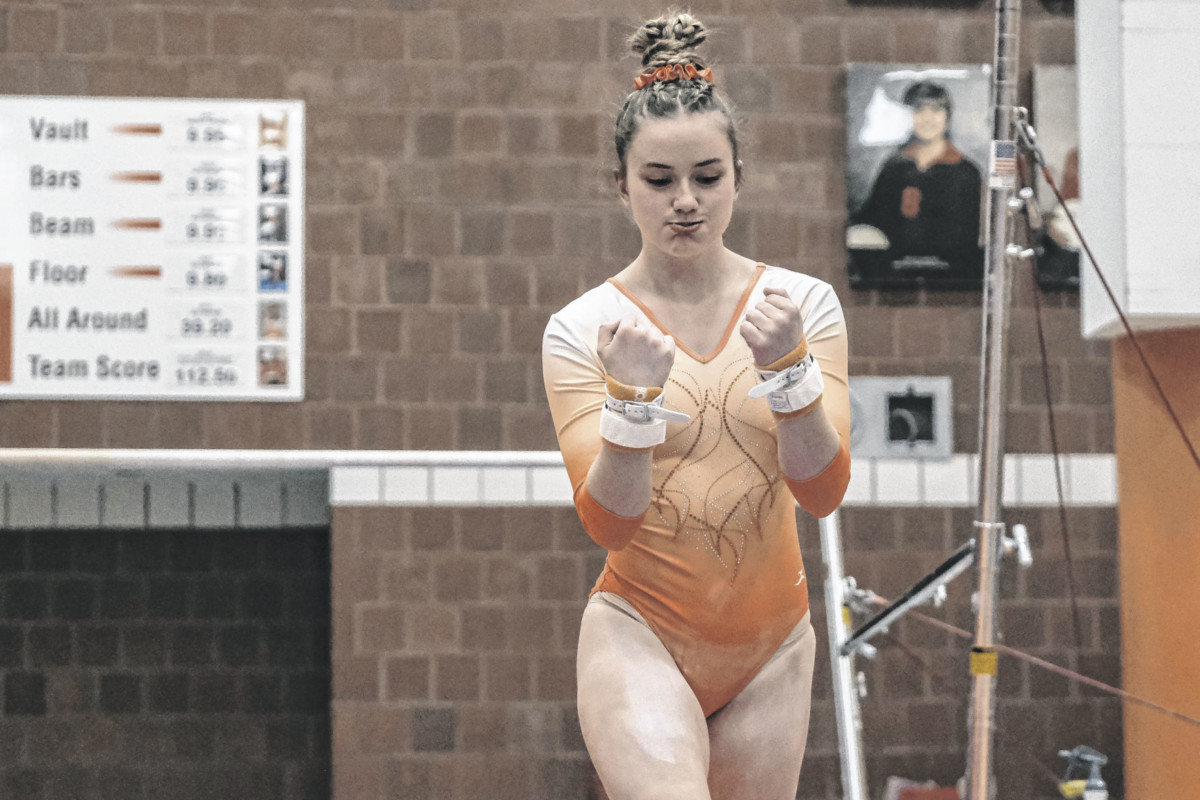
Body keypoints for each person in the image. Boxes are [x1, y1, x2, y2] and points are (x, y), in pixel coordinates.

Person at [541, 13, 851, 800]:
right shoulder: (584, 328)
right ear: (620, 185)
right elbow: (610, 523)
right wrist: (633, 400)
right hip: (640, 632)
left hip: (774, 647)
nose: (686, 202)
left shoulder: (802, 306)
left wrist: (788, 373)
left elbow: (823, 493)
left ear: (739, 176)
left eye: (707, 178)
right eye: (658, 181)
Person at [852, 79, 984, 273]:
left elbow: (970, 237)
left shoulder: (966, 172)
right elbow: (872, 219)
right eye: (919, 110)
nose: (927, 118)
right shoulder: (894, 167)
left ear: (947, 117)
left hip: (953, 276)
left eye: (936, 110)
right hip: (894, 275)